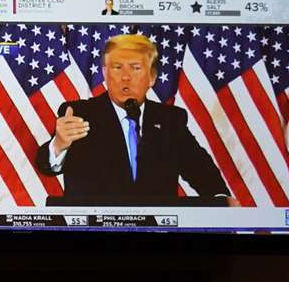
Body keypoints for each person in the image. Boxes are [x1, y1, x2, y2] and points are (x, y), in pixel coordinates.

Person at [32, 34, 230, 204]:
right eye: (117, 67)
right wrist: (58, 145)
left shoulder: (171, 120)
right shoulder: (79, 113)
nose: (125, 77)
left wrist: (221, 201)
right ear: (105, 74)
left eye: (135, 68)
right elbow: (45, 165)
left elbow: (202, 172)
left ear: (152, 78)